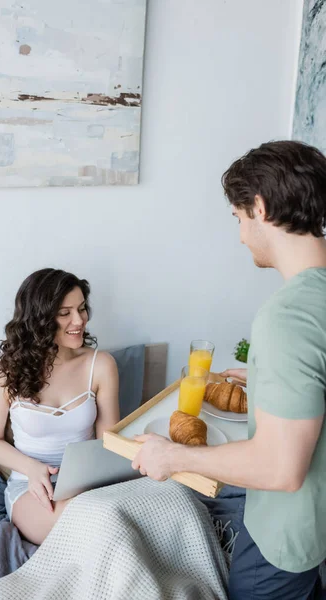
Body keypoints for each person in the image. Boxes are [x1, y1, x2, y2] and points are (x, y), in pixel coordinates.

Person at [132, 140, 326, 599]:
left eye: (238, 218)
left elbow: (280, 467)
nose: (240, 235)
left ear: (259, 207)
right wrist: (265, 382)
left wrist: (171, 456)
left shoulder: (287, 317)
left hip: (284, 537)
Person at [0, 268, 119, 545]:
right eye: (64, 313)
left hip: (88, 484)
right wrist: (32, 469)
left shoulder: (101, 365)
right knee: (89, 524)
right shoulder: (4, 373)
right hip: (29, 487)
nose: (79, 320)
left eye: (81, 309)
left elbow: (109, 443)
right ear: (39, 319)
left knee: (112, 516)